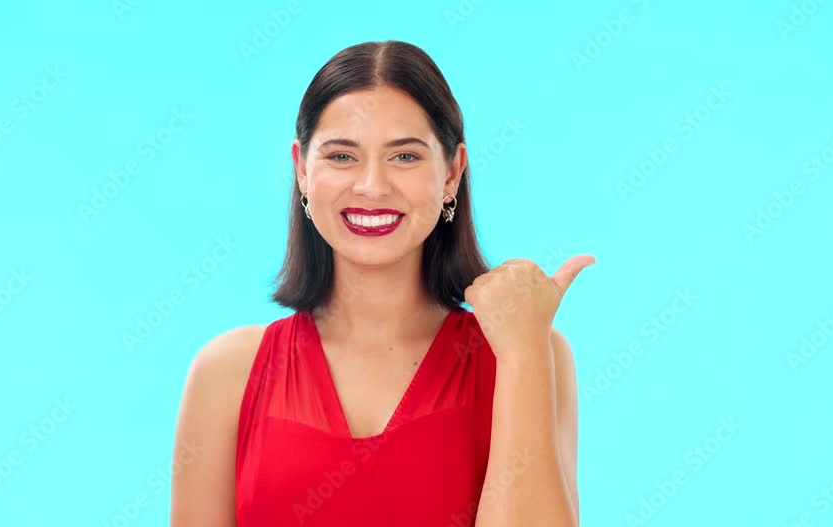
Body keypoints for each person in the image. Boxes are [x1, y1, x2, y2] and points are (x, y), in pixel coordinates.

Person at [170, 40, 594, 527]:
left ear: (453, 172)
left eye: (405, 157)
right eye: (343, 157)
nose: (372, 187)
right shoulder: (227, 372)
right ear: (302, 169)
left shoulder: (529, 354)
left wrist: (523, 352)